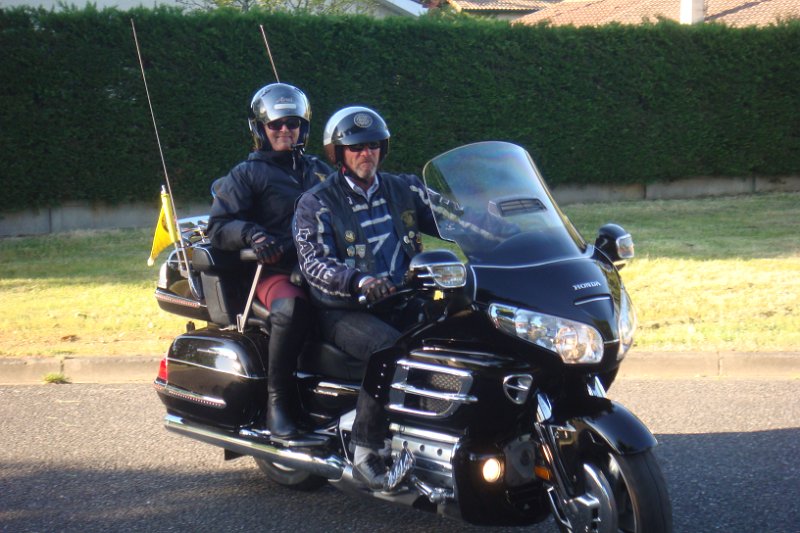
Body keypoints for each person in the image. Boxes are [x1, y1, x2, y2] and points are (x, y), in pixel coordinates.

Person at [292, 106, 439, 489]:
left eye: (372, 146)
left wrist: (504, 229)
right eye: (356, 147)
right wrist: (358, 282)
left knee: (462, 326)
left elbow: (456, 218)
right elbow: (314, 264)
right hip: (342, 310)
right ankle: (365, 450)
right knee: (387, 348)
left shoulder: (404, 188)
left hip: (400, 298)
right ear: (339, 153)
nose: (365, 153)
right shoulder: (317, 203)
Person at [208, 83, 332, 439]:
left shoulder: (319, 170)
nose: (284, 130)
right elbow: (219, 226)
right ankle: (277, 402)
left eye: (292, 123)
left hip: (326, 265)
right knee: (291, 310)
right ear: (260, 128)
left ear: (303, 127)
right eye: (275, 124)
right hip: (276, 270)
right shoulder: (247, 174)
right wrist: (253, 234)